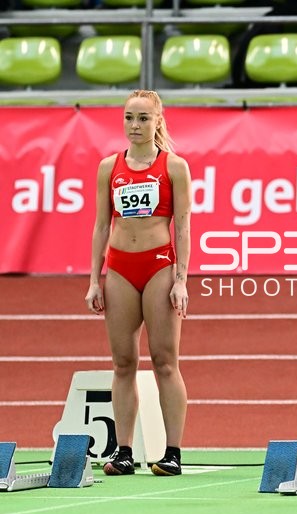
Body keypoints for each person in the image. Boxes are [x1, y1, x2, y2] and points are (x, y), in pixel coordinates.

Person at [85, 89, 192, 477]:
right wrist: (94, 280)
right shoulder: (108, 166)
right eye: (129, 117)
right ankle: (124, 450)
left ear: (158, 121)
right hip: (120, 269)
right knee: (123, 361)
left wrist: (181, 280)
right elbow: (101, 225)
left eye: (143, 118)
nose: (135, 125)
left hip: (159, 266)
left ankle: (173, 451)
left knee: (165, 360)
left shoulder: (174, 167)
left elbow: (182, 226)